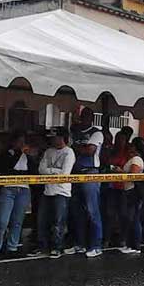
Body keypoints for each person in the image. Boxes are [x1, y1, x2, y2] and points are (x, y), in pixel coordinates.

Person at [0, 131, 35, 257]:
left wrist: (29, 156)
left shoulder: (27, 156)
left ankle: (12, 245)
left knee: (17, 220)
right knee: (2, 219)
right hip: (8, 188)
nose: (21, 144)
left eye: (23, 142)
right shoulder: (7, 154)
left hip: (24, 188)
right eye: (19, 142)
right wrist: (18, 152)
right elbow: (7, 168)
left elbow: (33, 171)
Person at [67, 107, 105, 258]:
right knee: (77, 211)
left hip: (90, 173)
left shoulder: (96, 132)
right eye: (82, 116)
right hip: (75, 172)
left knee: (92, 210)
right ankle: (79, 243)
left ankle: (96, 245)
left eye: (87, 116)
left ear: (91, 118)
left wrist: (76, 146)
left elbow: (90, 150)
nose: (84, 119)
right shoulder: (75, 130)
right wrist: (79, 147)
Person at [37, 127, 75, 258]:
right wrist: (55, 171)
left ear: (61, 138)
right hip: (48, 190)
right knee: (42, 220)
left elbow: (65, 173)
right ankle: (43, 245)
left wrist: (50, 170)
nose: (52, 140)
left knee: (59, 221)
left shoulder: (69, 152)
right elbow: (41, 169)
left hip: (62, 191)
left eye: (54, 137)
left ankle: (57, 247)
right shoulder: (48, 151)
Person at [118, 137, 144, 255]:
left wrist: (120, 172)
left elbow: (133, 175)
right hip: (129, 190)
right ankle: (130, 244)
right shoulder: (136, 158)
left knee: (133, 218)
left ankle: (135, 245)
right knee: (130, 218)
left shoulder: (136, 159)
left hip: (133, 191)